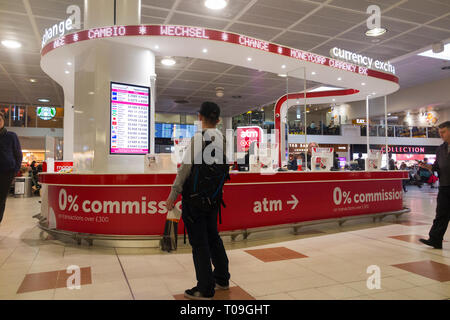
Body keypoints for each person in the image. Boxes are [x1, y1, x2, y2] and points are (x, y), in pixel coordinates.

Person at [166, 102, 230, 300]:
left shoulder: (198, 139)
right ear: (218, 120)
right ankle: (221, 278)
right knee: (213, 238)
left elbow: (184, 170)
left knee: (200, 244)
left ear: (200, 117)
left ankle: (204, 288)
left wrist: (172, 196)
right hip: (213, 200)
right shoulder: (224, 139)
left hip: (194, 201)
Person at [420, 121, 450, 249]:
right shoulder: (440, 149)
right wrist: (429, 167)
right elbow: (437, 166)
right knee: (441, 214)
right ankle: (435, 239)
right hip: (444, 186)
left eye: (443, 132)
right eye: (440, 133)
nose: (441, 135)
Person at [0, 112, 23, 223]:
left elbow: (18, 154)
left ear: (3, 121)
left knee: (1, 200)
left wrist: (15, 170)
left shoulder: (11, 136)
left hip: (6, 173)